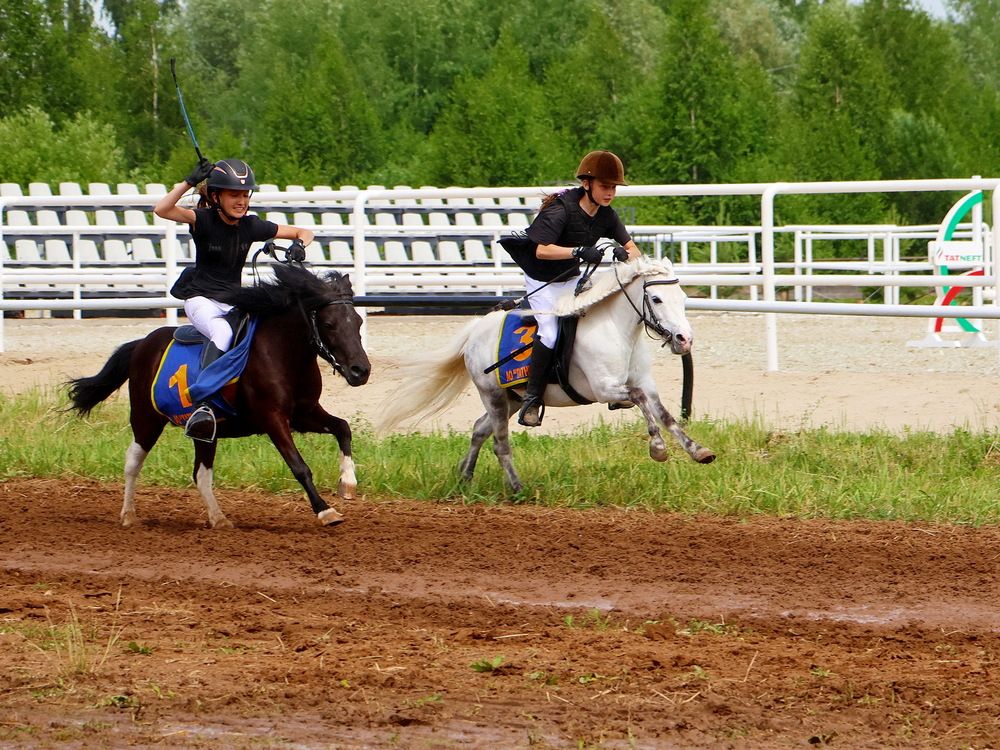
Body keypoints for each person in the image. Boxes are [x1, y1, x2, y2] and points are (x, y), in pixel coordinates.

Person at [154, 158, 314, 441]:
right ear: (216, 197)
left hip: (233, 301)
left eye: (244, 195)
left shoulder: (251, 226)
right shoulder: (202, 220)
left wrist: (299, 245)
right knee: (222, 331)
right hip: (201, 299)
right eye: (234, 195)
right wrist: (189, 182)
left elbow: (304, 231)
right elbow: (162, 209)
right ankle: (202, 405)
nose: (241, 201)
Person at [517, 150, 641, 427]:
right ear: (587, 184)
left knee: (601, 318)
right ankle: (532, 399)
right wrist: (579, 252)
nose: (610, 193)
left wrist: (635, 264)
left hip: (572, 277)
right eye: (604, 186)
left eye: (613, 188)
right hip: (543, 281)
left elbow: (632, 248)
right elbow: (541, 251)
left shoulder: (606, 215)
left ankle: (613, 387)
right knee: (549, 331)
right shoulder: (560, 210)